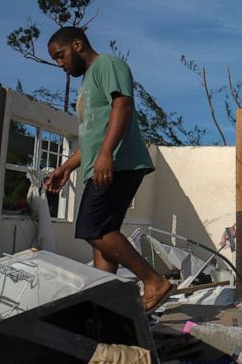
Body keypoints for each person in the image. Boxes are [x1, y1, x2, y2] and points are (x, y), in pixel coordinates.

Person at [44, 27, 173, 312]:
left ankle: (153, 281)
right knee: (104, 237)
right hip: (103, 165)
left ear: (77, 45)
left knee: (93, 228)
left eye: (60, 55)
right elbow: (93, 135)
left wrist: (106, 154)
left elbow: (123, 106)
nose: (59, 64)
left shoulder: (108, 65)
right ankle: (105, 302)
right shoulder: (88, 81)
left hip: (120, 164)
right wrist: (66, 167)